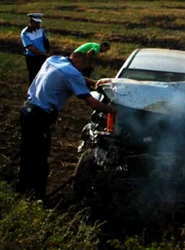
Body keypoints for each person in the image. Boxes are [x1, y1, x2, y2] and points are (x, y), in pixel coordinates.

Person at [16, 51, 116, 200]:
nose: (82, 70)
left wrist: (93, 83)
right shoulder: (72, 74)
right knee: (40, 158)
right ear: (80, 62)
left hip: (27, 110)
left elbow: (75, 76)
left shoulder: (55, 60)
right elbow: (91, 102)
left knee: (27, 153)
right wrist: (116, 111)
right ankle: (37, 196)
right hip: (39, 117)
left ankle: (22, 189)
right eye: (83, 67)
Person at [21, 13, 51, 83]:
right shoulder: (25, 33)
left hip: (42, 56)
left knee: (43, 75)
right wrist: (44, 54)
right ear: (31, 22)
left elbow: (46, 41)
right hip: (32, 58)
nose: (38, 25)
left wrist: (49, 51)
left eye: (39, 23)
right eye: (36, 23)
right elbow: (30, 47)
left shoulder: (41, 30)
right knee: (33, 76)